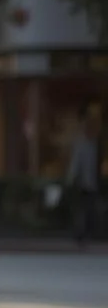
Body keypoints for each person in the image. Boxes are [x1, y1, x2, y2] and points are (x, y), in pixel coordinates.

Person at [67, 103, 102, 247]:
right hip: (83, 182)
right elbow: (76, 163)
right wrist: (71, 178)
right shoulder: (81, 144)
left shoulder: (95, 144)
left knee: (90, 208)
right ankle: (80, 234)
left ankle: (88, 232)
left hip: (93, 182)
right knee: (82, 208)